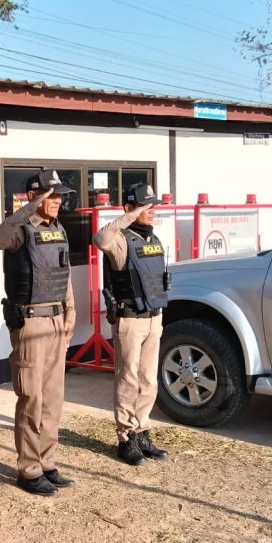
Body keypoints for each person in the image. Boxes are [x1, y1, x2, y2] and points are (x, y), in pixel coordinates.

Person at [0, 170, 76, 496]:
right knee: (31, 399)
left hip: (56, 322)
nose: (57, 201)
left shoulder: (58, 229)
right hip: (31, 323)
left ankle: (47, 462)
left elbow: (63, 274)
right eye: (50, 195)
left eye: (59, 195)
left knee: (53, 399)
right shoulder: (20, 230)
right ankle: (29, 469)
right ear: (33, 197)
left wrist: (70, 311)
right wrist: (25, 210)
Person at [93, 181, 170, 466]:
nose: (152, 211)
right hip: (129, 320)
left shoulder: (153, 239)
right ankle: (126, 438)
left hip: (153, 318)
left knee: (148, 379)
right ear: (129, 208)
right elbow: (100, 238)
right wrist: (129, 215)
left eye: (153, 206)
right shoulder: (120, 240)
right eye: (146, 206)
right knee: (128, 379)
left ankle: (142, 431)